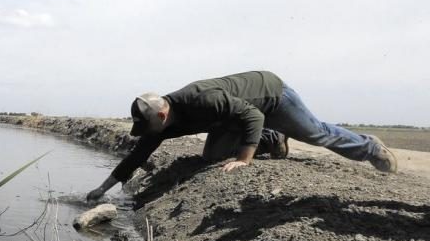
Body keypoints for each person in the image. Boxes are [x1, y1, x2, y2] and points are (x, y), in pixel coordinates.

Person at [86, 70, 397, 201]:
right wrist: (103, 189)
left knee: (316, 134)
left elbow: (253, 115)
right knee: (210, 157)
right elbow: (138, 154)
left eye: (148, 126)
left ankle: (368, 147)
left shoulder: (201, 99)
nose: (148, 133)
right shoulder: (162, 123)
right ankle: (271, 139)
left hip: (271, 98)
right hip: (235, 117)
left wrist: (244, 159)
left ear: (161, 115)